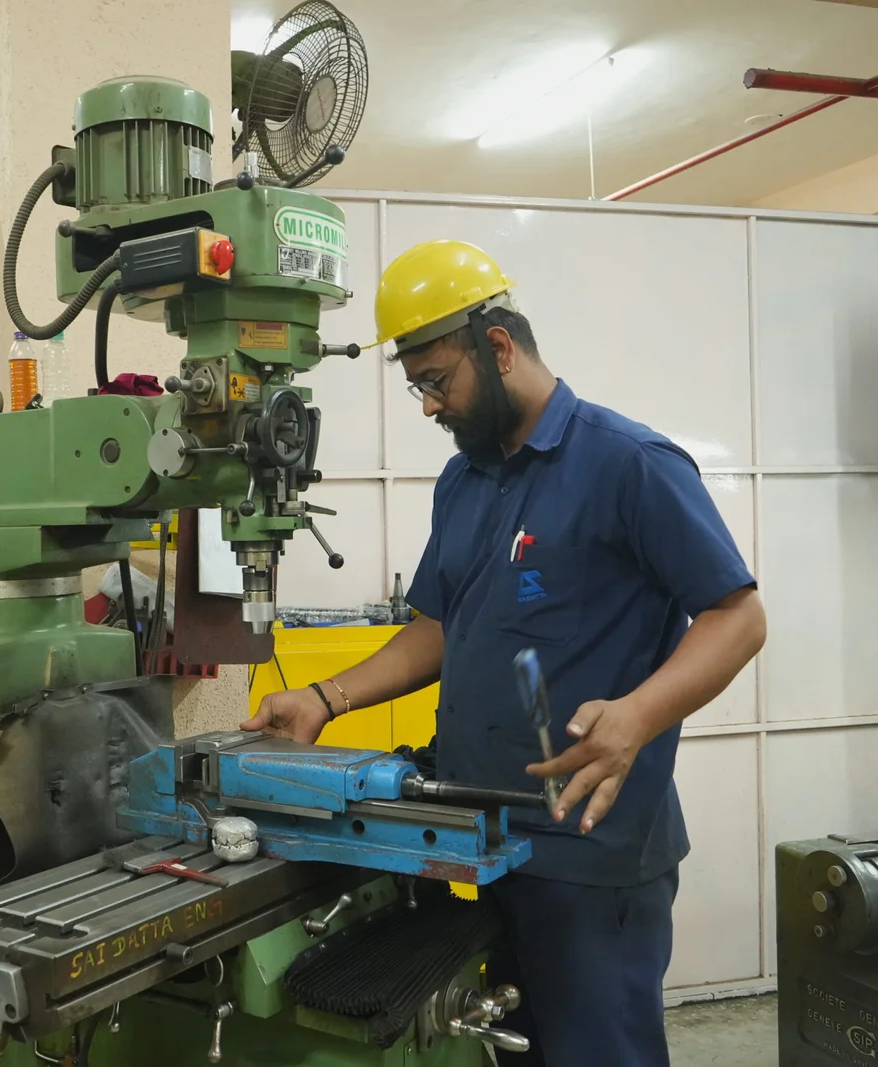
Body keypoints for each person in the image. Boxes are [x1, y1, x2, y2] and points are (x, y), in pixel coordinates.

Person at [241, 239, 767, 1066]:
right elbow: (439, 627)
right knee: (513, 1049)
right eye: (415, 385)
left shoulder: (628, 464)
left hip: (588, 856)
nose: (427, 406)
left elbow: (739, 617)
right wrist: (324, 697)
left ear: (497, 346)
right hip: (481, 838)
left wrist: (636, 717)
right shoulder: (465, 481)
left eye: (435, 379)